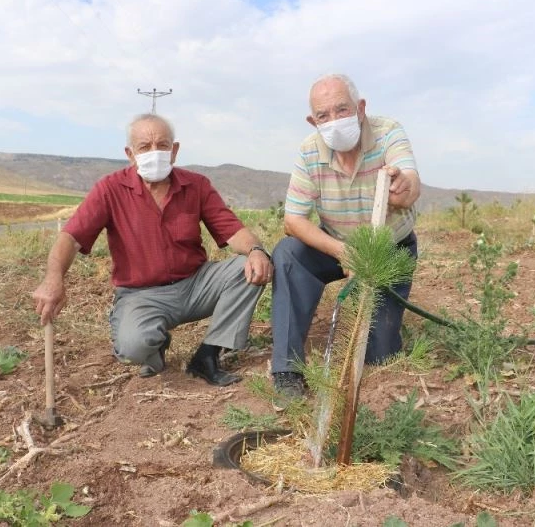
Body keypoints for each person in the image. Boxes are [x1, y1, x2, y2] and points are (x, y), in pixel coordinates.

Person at [33, 113, 273, 387]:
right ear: (130, 153)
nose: (154, 152)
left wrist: (255, 249)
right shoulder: (110, 189)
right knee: (133, 347)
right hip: (142, 294)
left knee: (254, 266)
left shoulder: (196, 185)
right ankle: (154, 346)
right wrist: (54, 278)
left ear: (175, 150)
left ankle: (208, 354)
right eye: (144, 147)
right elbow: (71, 238)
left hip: (195, 284)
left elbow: (233, 230)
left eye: (162, 145)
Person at [271, 74, 421, 397]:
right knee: (287, 254)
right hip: (337, 245)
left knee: (378, 354)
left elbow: (409, 179)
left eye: (342, 110)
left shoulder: (387, 132)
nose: (334, 122)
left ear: (360, 108)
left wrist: (404, 187)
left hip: (388, 250)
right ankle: (287, 371)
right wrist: (343, 252)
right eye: (323, 116)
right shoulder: (310, 152)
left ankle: (388, 326)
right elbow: (294, 220)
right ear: (313, 121)